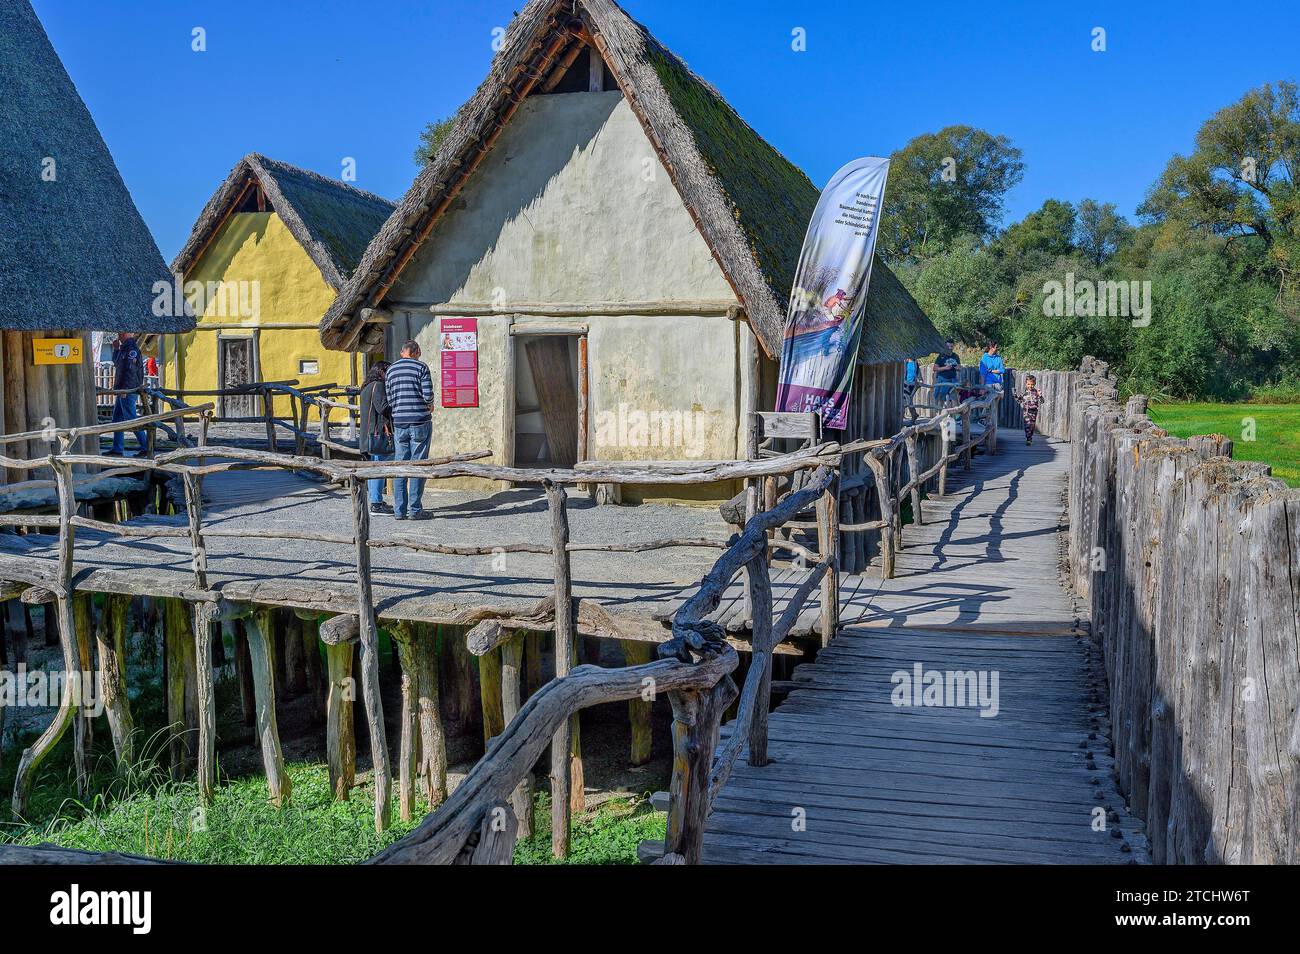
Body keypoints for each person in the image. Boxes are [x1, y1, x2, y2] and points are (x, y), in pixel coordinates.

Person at [384, 339, 434, 520]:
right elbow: (427, 393)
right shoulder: (421, 367)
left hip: (399, 422)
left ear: (402, 352)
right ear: (416, 352)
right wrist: (430, 405)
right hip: (420, 420)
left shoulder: (391, 370)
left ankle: (399, 510)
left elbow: (389, 399)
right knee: (418, 465)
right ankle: (415, 510)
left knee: (400, 465)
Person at [107, 331, 149, 457]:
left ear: (126, 334)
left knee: (131, 418)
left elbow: (130, 371)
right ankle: (117, 448)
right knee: (117, 419)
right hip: (123, 390)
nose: (119, 335)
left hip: (127, 390)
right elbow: (118, 364)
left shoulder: (131, 349)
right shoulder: (125, 348)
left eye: (121, 333)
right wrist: (115, 349)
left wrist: (125, 389)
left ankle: (146, 446)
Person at [359, 361, 393, 514]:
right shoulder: (378, 386)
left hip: (369, 435)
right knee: (380, 468)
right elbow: (383, 407)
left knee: (375, 467)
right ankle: (376, 504)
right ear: (381, 371)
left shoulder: (366, 387)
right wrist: (396, 404)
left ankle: (376, 500)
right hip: (377, 434)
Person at [1018, 374, 1045, 445]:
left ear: (1034, 384)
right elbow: (1019, 401)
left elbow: (1042, 401)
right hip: (1026, 411)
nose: (1030, 386)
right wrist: (1015, 395)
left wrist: (1040, 395)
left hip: (1034, 411)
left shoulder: (1036, 392)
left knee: (1032, 426)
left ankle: (1030, 437)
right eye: (1028, 384)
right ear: (1026, 384)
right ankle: (1028, 439)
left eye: (1032, 384)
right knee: (1027, 424)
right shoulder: (1023, 392)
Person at [932, 340, 961, 406]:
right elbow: (935, 368)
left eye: (951, 346)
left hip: (953, 379)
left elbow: (960, 367)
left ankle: (954, 415)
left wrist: (957, 367)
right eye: (948, 346)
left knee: (954, 397)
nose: (949, 348)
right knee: (940, 397)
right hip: (942, 380)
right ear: (945, 347)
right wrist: (945, 368)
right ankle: (940, 413)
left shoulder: (956, 356)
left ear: (953, 347)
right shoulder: (941, 356)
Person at [902, 356, 920, 421]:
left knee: (909, 399)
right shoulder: (905, 362)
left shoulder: (915, 363)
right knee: (907, 398)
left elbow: (918, 372)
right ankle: (913, 414)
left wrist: (920, 379)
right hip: (905, 383)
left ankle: (913, 414)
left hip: (913, 383)